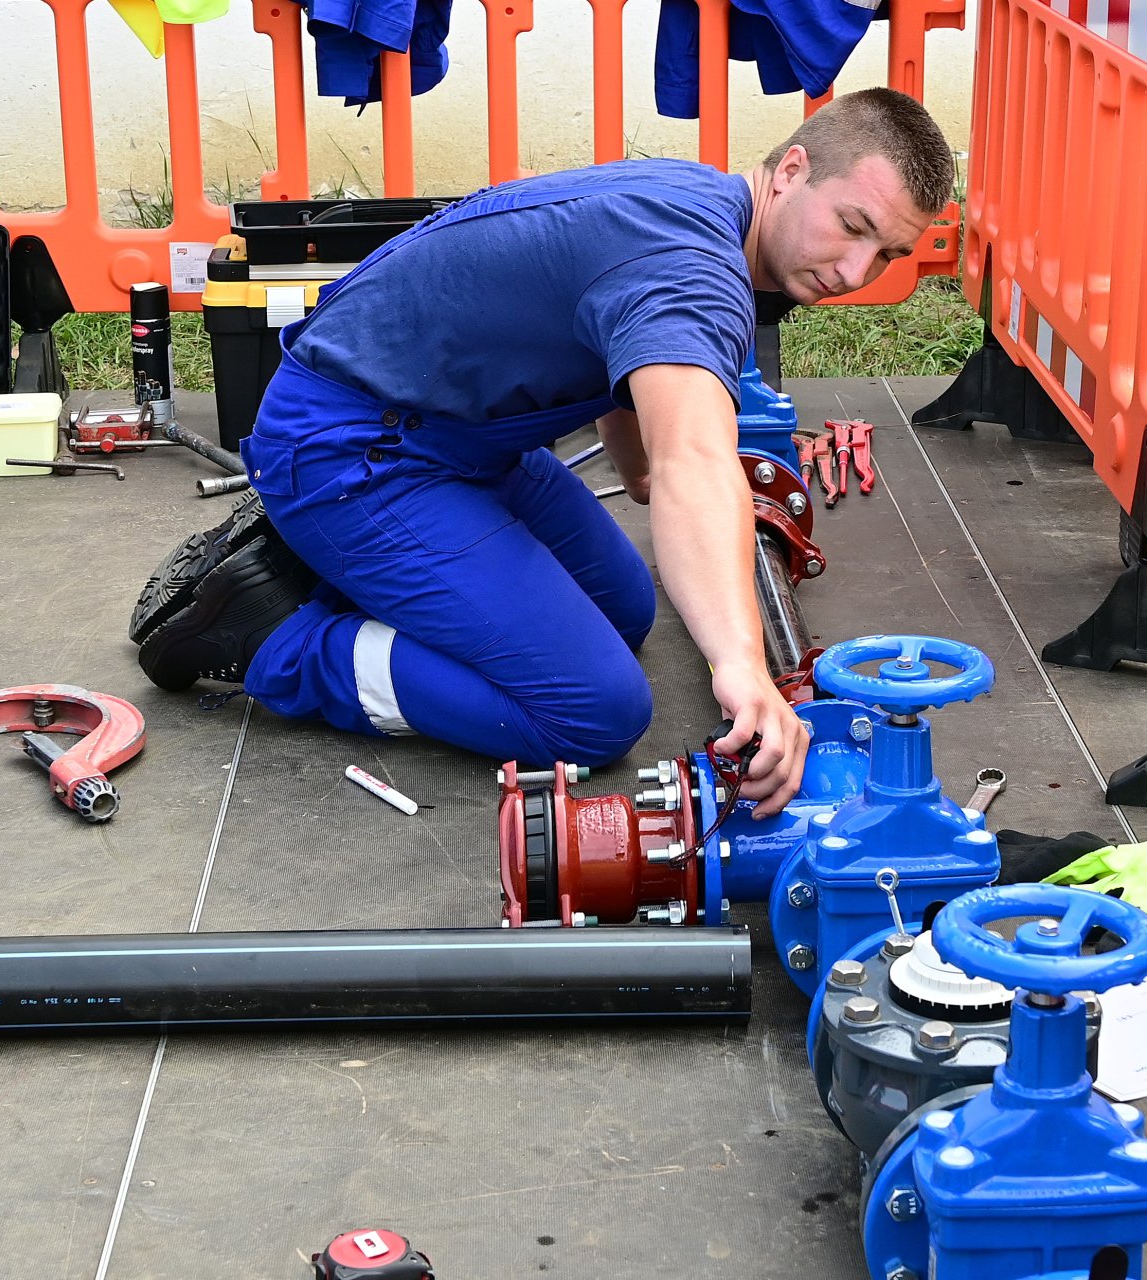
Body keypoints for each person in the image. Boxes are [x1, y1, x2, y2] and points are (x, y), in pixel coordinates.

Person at [132, 88, 954, 818]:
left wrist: (640, 468)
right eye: (852, 227)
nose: (857, 270)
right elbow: (693, 464)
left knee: (624, 611)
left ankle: (350, 568)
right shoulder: (694, 271)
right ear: (792, 170)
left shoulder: (702, 200)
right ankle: (278, 638)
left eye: (887, 253)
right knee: (591, 713)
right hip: (352, 452)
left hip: (460, 433)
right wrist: (744, 666)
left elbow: (628, 381)